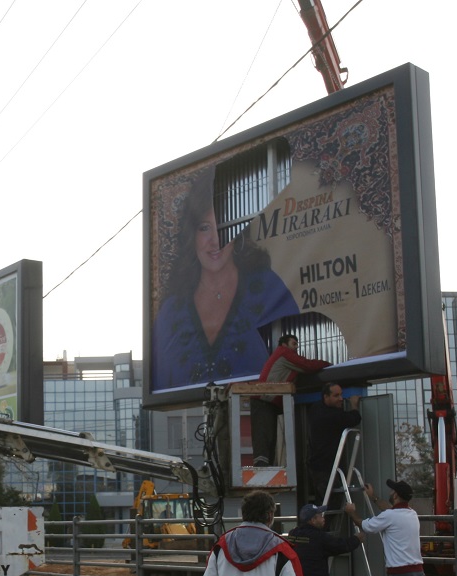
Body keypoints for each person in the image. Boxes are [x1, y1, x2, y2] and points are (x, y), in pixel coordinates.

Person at [151, 169, 301, 391]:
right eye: (204, 228)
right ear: (191, 235)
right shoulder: (170, 314)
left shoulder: (268, 286)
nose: (215, 240)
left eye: (224, 227)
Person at [250, 335, 331, 466]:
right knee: (264, 439)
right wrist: (328, 364)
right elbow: (307, 365)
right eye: (294, 343)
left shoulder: (281, 357)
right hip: (264, 401)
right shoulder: (284, 353)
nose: (296, 347)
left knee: (267, 439)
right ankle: (261, 471)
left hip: (266, 402)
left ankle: (264, 470)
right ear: (284, 344)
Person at [305, 383, 362, 502]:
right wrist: (354, 406)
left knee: (324, 502)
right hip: (326, 468)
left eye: (341, 395)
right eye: (336, 396)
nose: (341, 399)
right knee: (331, 503)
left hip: (318, 466)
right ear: (326, 397)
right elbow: (354, 418)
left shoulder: (316, 409)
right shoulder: (330, 416)